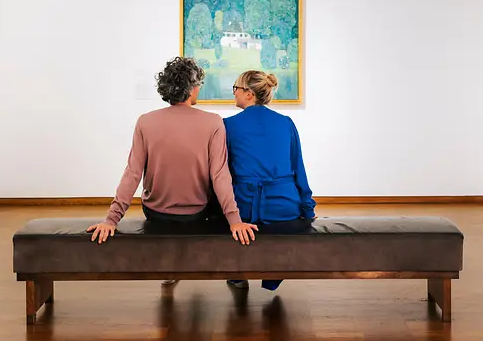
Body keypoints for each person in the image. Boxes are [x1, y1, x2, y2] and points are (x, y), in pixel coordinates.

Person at [86, 57, 259, 252]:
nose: (199, 89)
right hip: (196, 213)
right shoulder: (213, 122)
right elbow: (219, 175)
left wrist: (111, 220)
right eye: (198, 84)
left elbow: (133, 173)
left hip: (155, 212)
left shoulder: (145, 121)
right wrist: (235, 221)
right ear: (192, 87)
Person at [223, 70, 316, 291]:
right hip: (284, 206)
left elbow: (222, 173)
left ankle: (238, 274)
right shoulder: (286, 123)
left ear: (249, 94)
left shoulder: (227, 125)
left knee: (235, 222)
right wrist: (308, 208)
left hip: (244, 205)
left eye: (236, 88)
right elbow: (298, 168)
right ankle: (270, 275)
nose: (233, 92)